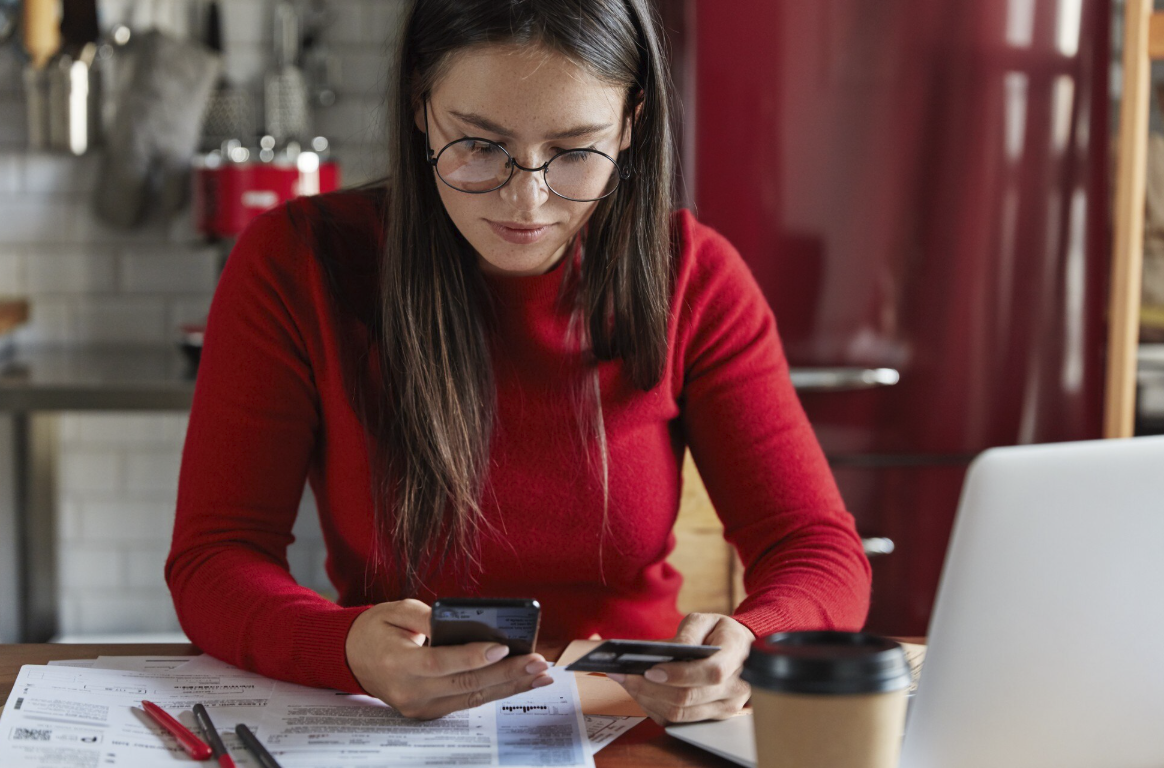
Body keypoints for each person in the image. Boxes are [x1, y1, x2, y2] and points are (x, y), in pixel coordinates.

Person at [166, 0, 871, 725]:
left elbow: (814, 547)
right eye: (479, 144)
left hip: (632, 723)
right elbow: (215, 558)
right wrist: (343, 646)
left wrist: (754, 644)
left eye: (574, 151)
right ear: (419, 103)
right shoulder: (295, 265)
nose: (526, 200)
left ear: (630, 123)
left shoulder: (694, 277)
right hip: (397, 724)